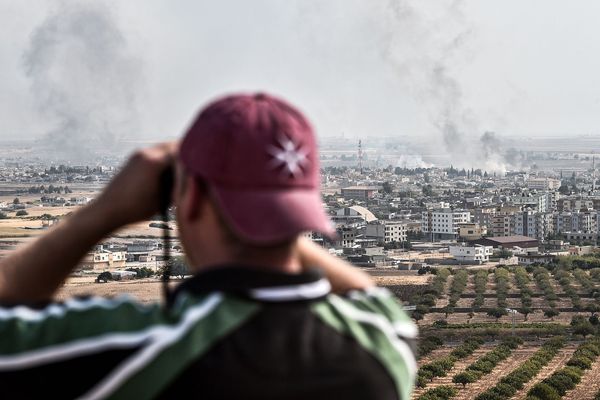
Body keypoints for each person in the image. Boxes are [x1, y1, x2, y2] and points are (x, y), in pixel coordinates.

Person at [0, 93, 417, 399]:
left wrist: (104, 211)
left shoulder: (135, 350)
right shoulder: (384, 341)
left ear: (192, 197)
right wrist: (275, 211)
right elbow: (371, 296)